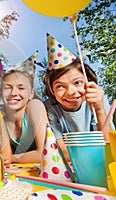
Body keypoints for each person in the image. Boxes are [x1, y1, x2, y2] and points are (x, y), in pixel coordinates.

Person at [43, 33, 114, 161]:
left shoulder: (96, 98)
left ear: (88, 80)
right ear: (51, 90)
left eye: (77, 83)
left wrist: (99, 109)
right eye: (60, 86)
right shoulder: (50, 107)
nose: (70, 92)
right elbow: (58, 150)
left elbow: (110, 147)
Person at [0, 52, 48, 163]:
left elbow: (46, 153)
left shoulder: (34, 106)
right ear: (1, 92)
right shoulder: (0, 118)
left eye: (21, 88)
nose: (13, 93)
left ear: (31, 94)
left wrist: (11, 158)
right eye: (7, 88)